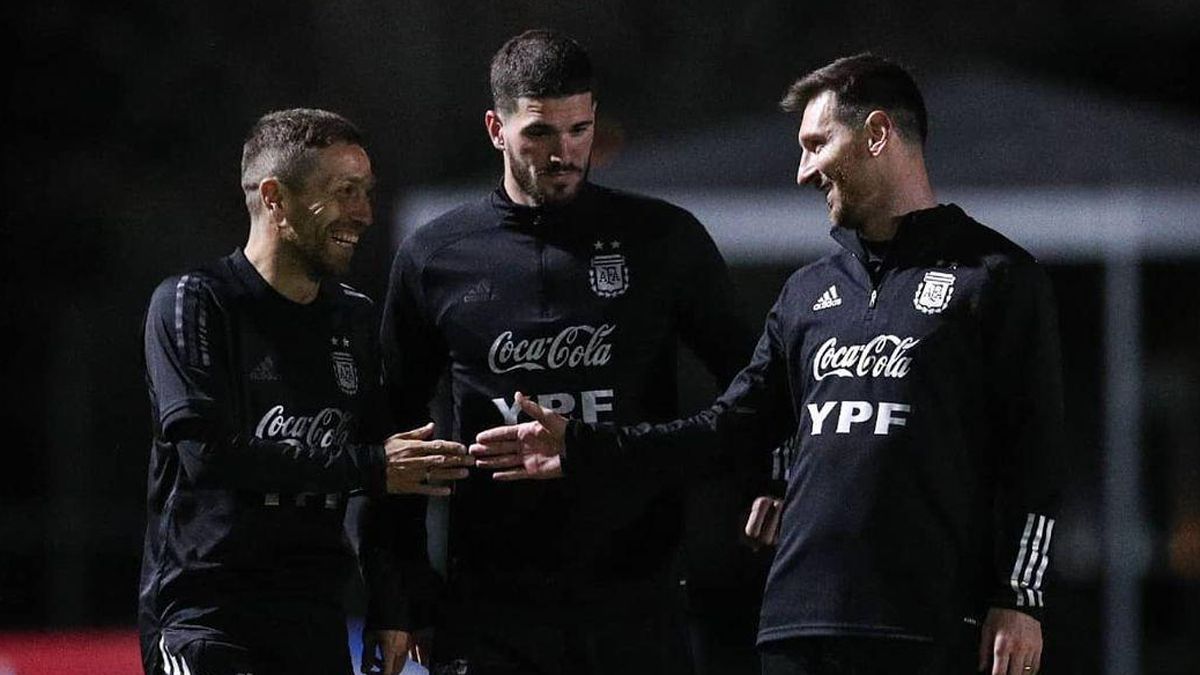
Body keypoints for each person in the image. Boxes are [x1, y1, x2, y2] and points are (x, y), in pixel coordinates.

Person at [471, 53, 1065, 675]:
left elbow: (1037, 455)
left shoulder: (995, 279)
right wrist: (586, 449)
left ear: (878, 134)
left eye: (816, 144)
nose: (803, 170)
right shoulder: (807, 293)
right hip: (796, 625)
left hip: (928, 625)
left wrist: (1019, 598)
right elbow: (728, 430)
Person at [379, 29, 769, 675]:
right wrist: (399, 588)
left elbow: (755, 394)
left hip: (636, 601)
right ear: (495, 128)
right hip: (488, 610)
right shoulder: (434, 256)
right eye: (539, 134)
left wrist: (756, 480)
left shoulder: (661, 241)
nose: (565, 154)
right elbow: (390, 438)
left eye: (579, 130)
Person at [138, 108, 471, 675]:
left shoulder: (356, 321)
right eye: (344, 192)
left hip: (313, 619)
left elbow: (381, 483)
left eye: (366, 192)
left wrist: (392, 604)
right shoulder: (194, 301)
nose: (363, 213)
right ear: (275, 198)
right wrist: (370, 466)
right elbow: (208, 457)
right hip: (206, 618)